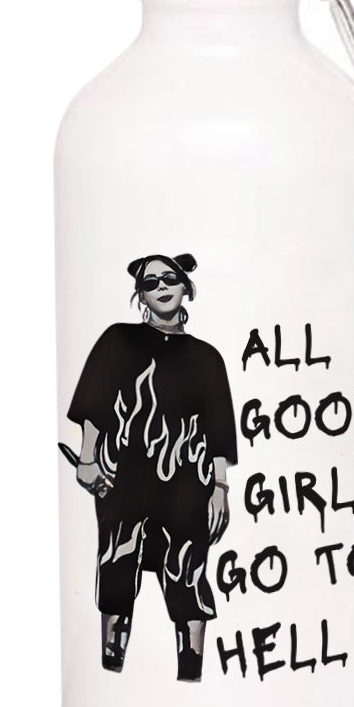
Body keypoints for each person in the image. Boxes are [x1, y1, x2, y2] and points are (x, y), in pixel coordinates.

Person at [67, 253, 237, 681]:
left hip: (187, 482)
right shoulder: (118, 340)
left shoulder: (206, 357)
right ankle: (110, 673)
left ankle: (191, 674)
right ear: (140, 295)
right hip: (123, 478)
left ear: (185, 287)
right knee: (116, 567)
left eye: (169, 278)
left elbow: (218, 429)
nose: (161, 286)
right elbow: (95, 402)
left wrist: (220, 488)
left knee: (188, 574)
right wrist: (87, 458)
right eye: (150, 282)